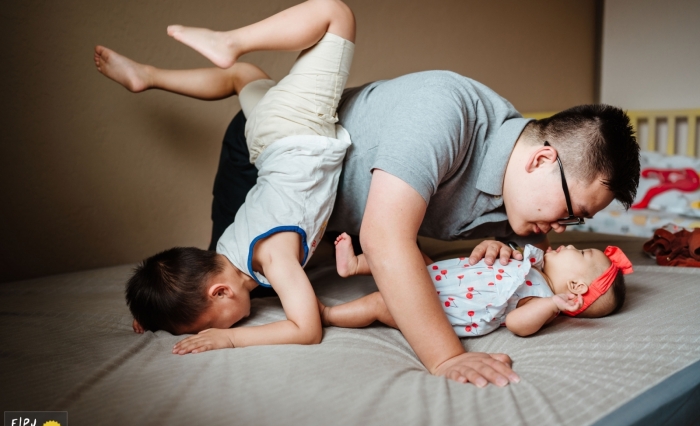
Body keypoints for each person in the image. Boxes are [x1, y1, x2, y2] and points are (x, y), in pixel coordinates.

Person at [96, 0, 640, 387]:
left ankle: (197, 74)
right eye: (572, 212)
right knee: (233, 285)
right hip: (277, 158)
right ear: (543, 159)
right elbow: (386, 237)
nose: (562, 229)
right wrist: (446, 359)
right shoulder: (444, 111)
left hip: (329, 209)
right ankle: (152, 305)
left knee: (251, 84)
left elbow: (446, 261)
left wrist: (487, 252)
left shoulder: (520, 211)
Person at [99, 0, 357, 349]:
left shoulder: (273, 256)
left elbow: (306, 330)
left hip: (295, 132)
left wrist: (230, 338)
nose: (206, 332)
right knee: (242, 76)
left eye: (204, 326)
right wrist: (156, 312)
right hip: (265, 142)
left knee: (333, 12)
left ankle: (230, 41)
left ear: (220, 292)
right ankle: (148, 76)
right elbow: (180, 285)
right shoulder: (225, 248)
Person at [320, 234, 633, 337]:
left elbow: (516, 324)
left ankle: (329, 316)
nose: (567, 247)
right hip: (443, 276)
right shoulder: (534, 265)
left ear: (576, 286)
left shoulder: (541, 297)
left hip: (441, 308)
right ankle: (356, 265)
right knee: (411, 257)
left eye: (578, 252)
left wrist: (553, 305)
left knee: (380, 303)